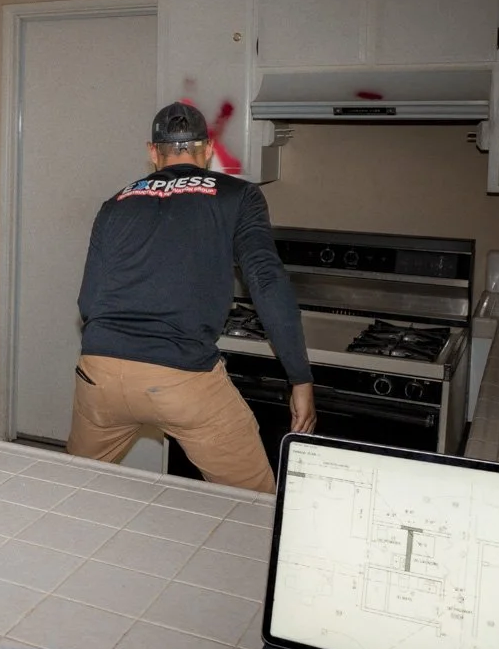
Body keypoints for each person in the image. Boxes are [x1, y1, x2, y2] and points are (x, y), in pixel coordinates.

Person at [66, 102, 314, 492]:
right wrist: (299, 377)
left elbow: (88, 303)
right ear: (208, 149)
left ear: (153, 152)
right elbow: (266, 283)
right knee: (254, 505)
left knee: (73, 490)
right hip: (184, 378)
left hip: (102, 374)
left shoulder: (114, 204)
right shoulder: (239, 196)